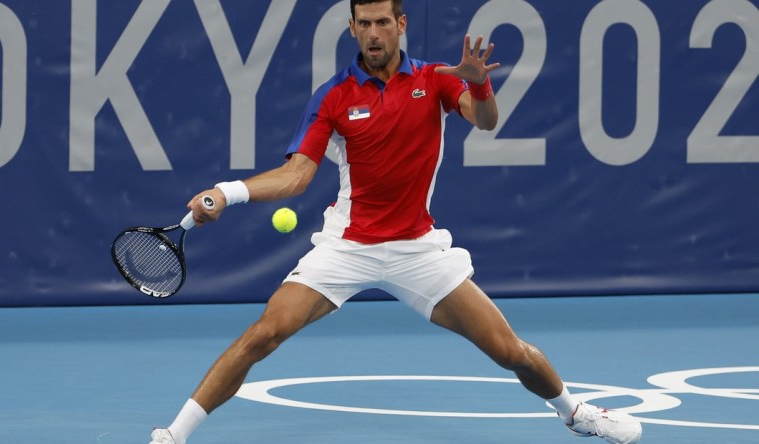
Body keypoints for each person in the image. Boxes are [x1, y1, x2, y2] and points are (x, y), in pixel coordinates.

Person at [149, 1, 642, 443]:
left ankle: (575, 413)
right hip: (347, 246)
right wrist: (226, 192)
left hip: (418, 250)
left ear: (401, 25)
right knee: (263, 335)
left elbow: (486, 120)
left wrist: (477, 80)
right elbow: (297, 176)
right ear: (352, 29)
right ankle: (173, 435)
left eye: (383, 22)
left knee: (508, 350)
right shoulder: (333, 96)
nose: (374, 33)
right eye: (364, 24)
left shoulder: (436, 79)